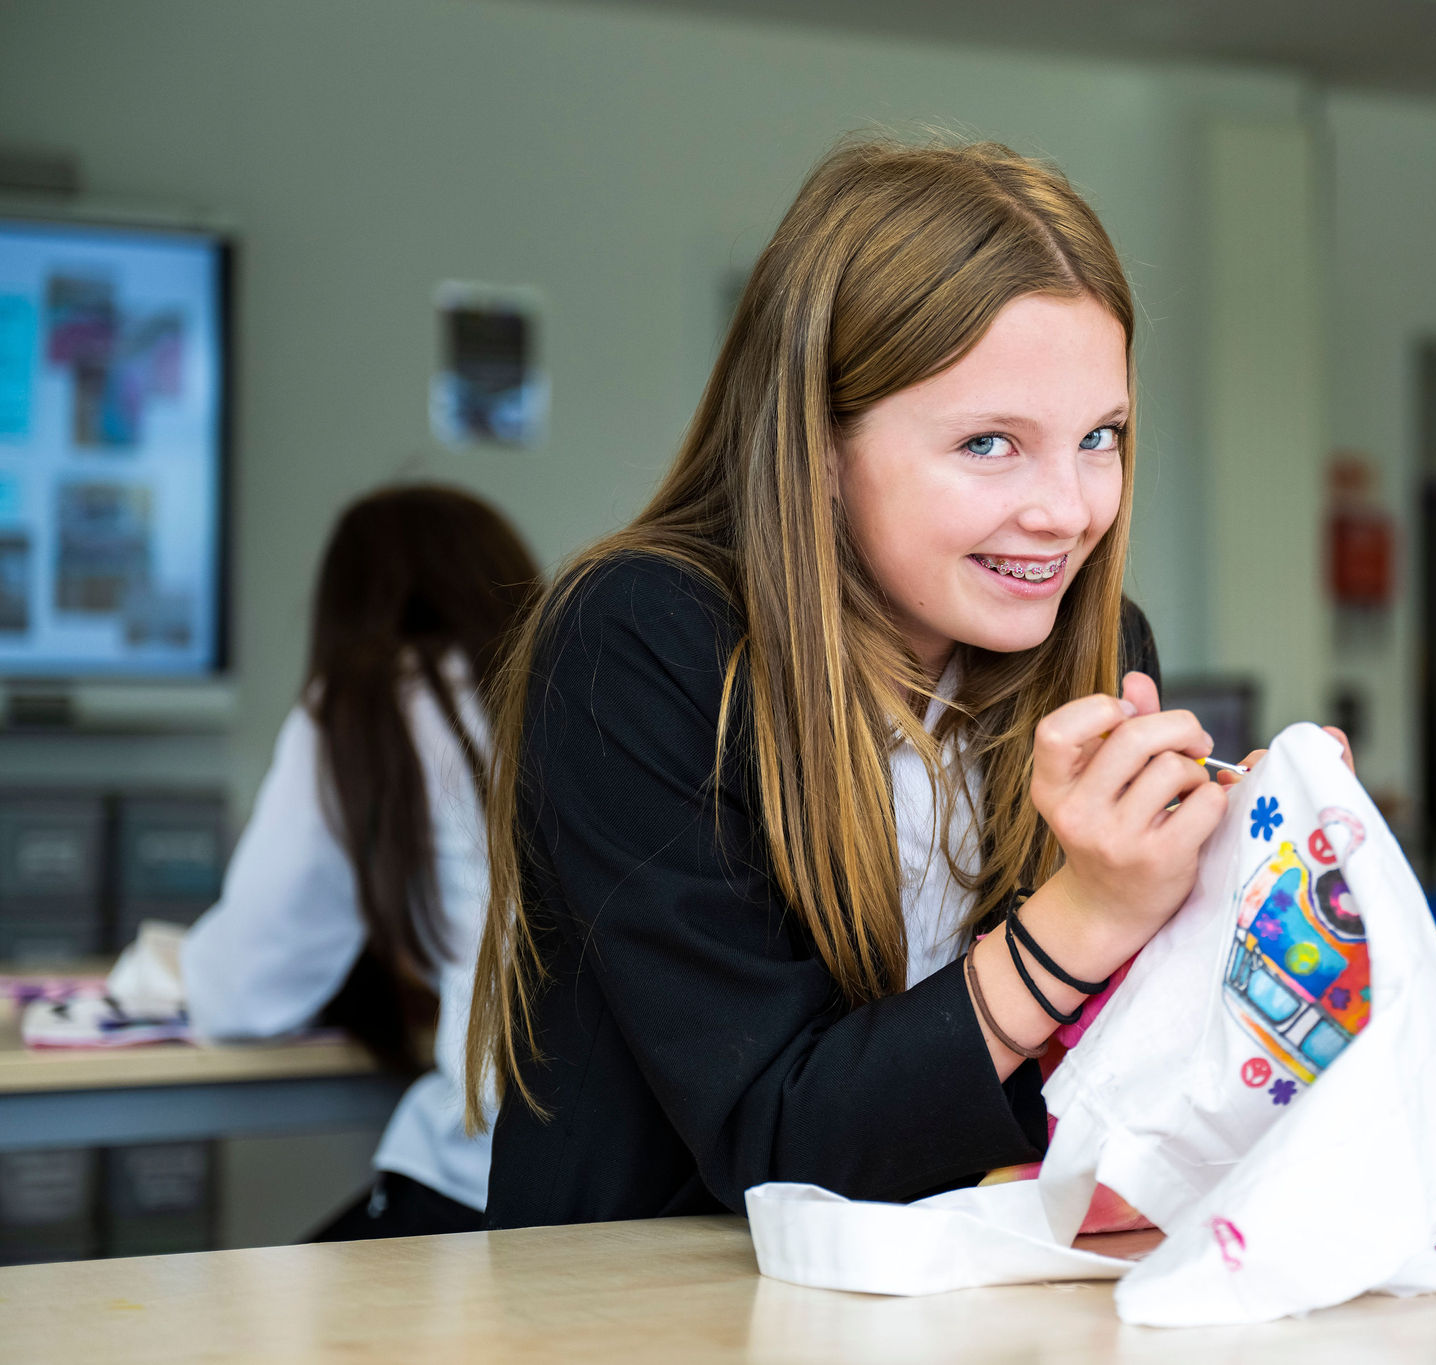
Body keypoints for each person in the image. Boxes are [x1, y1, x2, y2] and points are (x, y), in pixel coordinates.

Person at [466, 137, 1260, 1228]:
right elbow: (776, 1146)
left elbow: (1121, 1098)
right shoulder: (639, 638)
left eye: (1098, 437)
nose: (1068, 510)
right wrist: (1087, 916)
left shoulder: (1098, 639)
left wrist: (1250, 894)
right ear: (818, 440)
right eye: (989, 443)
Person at [181, 484, 541, 1239]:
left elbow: (245, 990)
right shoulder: (576, 682)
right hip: (639, 1182)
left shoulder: (375, 701)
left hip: (489, 1179)